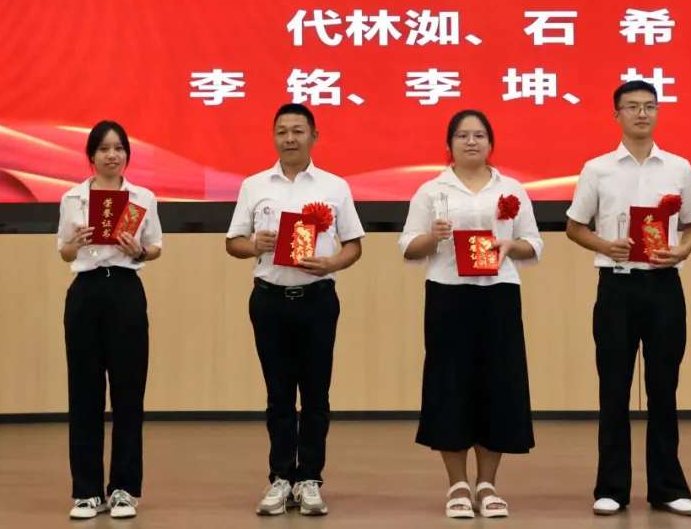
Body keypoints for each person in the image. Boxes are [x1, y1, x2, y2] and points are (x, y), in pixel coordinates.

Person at [565, 80, 691, 516]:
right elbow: (575, 227)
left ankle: (668, 487)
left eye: (649, 106)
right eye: (632, 107)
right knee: (614, 388)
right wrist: (605, 246)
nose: (642, 114)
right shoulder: (597, 169)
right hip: (617, 286)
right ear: (617, 115)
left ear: (658, 112)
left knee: (664, 388)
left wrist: (682, 251)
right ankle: (611, 487)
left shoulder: (678, 167)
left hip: (664, 286)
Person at [399, 109, 542, 519]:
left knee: (498, 384)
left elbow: (533, 243)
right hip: (448, 294)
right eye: (462, 135)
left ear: (491, 143)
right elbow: (408, 247)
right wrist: (433, 237)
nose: (471, 142)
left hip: (499, 294)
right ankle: (458, 485)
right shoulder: (431, 190)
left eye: (479, 135)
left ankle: (488, 484)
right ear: (449, 144)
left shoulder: (511, 188)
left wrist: (510, 247)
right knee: (450, 385)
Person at [225, 103, 365, 516]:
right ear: (273, 137)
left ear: (314, 136)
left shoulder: (335, 186)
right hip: (269, 299)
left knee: (316, 394)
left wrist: (331, 263)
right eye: (282, 131)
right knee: (279, 394)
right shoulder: (254, 185)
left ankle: (310, 479)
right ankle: (281, 477)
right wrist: (255, 244)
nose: (290, 138)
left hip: (317, 299)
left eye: (298, 131)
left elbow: (354, 245)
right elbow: (233, 243)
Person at [55, 120, 163, 520]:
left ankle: (123, 490)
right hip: (85, 292)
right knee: (84, 393)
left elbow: (155, 247)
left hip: (125, 291)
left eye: (118, 148)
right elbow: (63, 252)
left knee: (128, 393)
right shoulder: (73, 198)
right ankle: (86, 492)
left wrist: (139, 251)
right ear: (91, 155)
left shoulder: (142, 197)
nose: (112, 155)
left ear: (127, 155)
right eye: (103, 149)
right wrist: (74, 243)